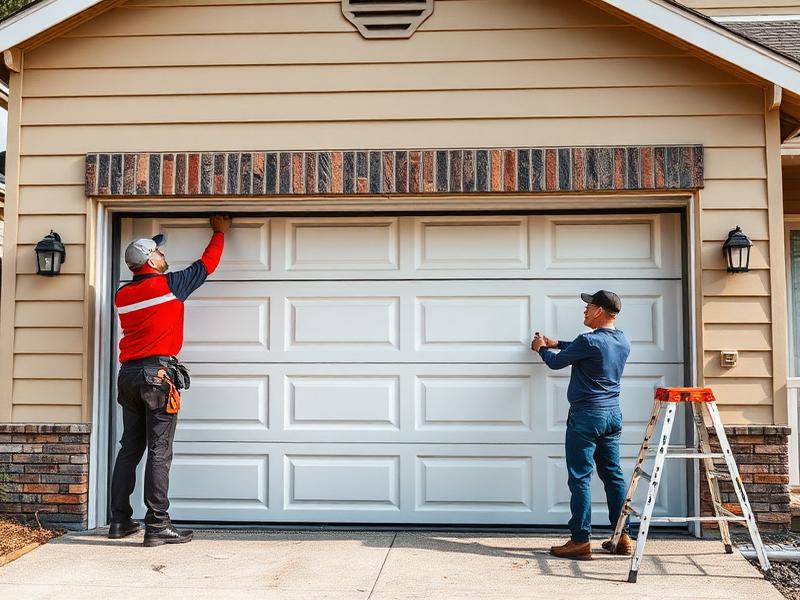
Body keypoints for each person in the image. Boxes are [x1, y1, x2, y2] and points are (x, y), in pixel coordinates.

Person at [108, 214, 231, 547]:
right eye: (159, 253)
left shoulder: (123, 295)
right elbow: (207, 264)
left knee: (129, 449)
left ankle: (119, 521)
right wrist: (219, 233)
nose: (164, 256)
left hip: (129, 376)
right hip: (157, 377)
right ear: (149, 259)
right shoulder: (169, 285)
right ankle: (158, 526)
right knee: (159, 452)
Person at [531, 290, 632, 561]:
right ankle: (622, 537)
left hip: (587, 417)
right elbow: (583, 349)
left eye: (588, 308)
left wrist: (542, 348)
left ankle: (579, 540)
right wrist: (556, 342)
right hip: (612, 415)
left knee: (580, 477)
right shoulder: (622, 340)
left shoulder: (588, 341)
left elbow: (555, 363)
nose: (584, 312)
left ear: (599, 311)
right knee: (613, 475)